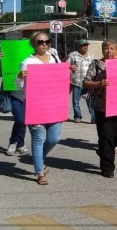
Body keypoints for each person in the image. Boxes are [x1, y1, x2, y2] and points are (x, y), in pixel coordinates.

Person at [16, 32, 63, 185]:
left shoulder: (54, 59)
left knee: (54, 138)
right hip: (34, 105)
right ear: (33, 44)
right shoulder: (27, 62)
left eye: (47, 41)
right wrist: (20, 76)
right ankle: (39, 173)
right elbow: (20, 88)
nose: (44, 44)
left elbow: (59, 81)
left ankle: (39, 159)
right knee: (38, 139)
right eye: (40, 42)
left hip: (54, 104)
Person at [83, 39, 117, 178]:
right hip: (102, 107)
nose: (108, 51)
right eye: (105, 48)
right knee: (106, 138)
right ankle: (108, 168)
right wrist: (99, 83)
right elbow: (86, 82)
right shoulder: (97, 64)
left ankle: (104, 151)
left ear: (116, 50)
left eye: (111, 48)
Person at [67, 38, 95, 123]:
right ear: (78, 46)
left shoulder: (91, 55)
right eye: (83, 45)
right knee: (76, 101)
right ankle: (77, 116)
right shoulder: (73, 55)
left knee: (90, 101)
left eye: (86, 45)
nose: (85, 47)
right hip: (76, 82)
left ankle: (94, 118)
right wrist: (71, 67)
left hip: (88, 83)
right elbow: (66, 66)